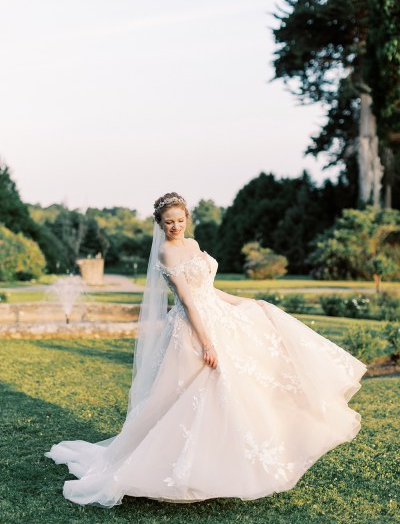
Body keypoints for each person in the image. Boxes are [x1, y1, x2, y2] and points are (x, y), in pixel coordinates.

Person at [45, 192, 367, 507]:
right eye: (169, 222)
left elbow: (207, 290)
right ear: (160, 224)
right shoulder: (167, 254)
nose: (175, 227)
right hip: (191, 330)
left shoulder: (193, 245)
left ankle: (224, 464)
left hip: (217, 317)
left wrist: (242, 302)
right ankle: (177, 469)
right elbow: (187, 301)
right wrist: (207, 342)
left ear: (187, 219)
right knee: (194, 396)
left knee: (239, 387)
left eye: (180, 220)